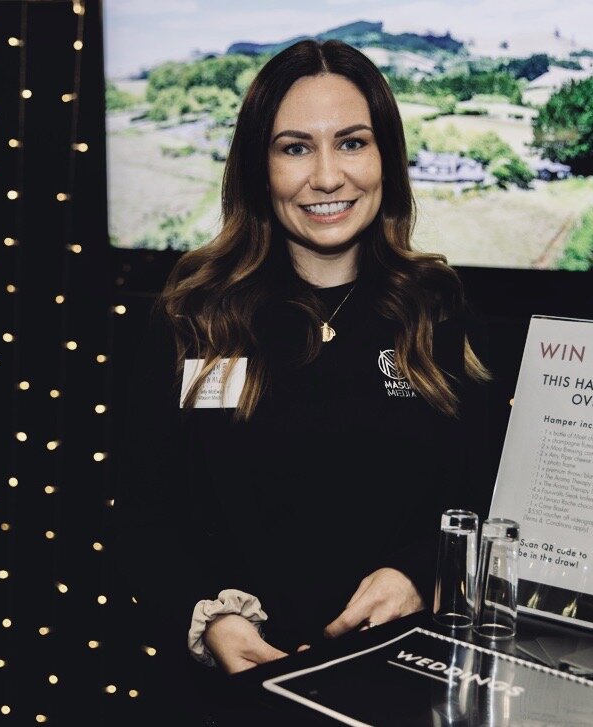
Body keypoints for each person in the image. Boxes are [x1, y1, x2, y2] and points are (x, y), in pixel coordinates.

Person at [114, 39, 497, 716]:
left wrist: (417, 572)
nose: (326, 176)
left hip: (401, 687)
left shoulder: (436, 307)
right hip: (229, 695)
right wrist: (211, 620)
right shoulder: (193, 315)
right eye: (295, 147)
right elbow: (141, 515)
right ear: (259, 166)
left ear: (386, 159)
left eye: (351, 143)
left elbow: (477, 492)